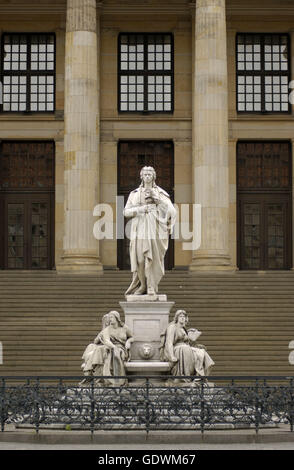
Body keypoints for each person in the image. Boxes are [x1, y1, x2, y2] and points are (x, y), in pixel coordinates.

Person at [124, 166, 176, 296]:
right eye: (145, 174)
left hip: (154, 227)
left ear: (154, 176)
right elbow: (125, 212)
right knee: (140, 259)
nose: (147, 176)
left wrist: (157, 200)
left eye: (149, 174)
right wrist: (140, 209)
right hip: (139, 227)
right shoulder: (134, 194)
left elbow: (171, 210)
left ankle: (151, 286)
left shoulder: (160, 192)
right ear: (141, 176)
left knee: (152, 258)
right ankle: (142, 285)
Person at [80, 311, 134, 386]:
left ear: (117, 318)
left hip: (121, 348)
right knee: (105, 352)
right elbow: (107, 341)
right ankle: (105, 378)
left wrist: (128, 341)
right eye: (109, 318)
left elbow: (132, 337)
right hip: (111, 346)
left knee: (113, 353)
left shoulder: (124, 328)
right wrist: (114, 347)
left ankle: (117, 380)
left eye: (111, 317)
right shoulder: (107, 329)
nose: (110, 319)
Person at [160, 310, 214, 383]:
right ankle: (184, 377)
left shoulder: (183, 329)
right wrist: (171, 356)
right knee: (185, 349)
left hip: (186, 347)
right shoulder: (172, 327)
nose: (182, 318)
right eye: (180, 316)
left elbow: (187, 343)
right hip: (177, 349)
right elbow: (169, 342)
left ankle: (199, 376)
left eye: (184, 317)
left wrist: (196, 345)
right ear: (177, 318)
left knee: (202, 352)